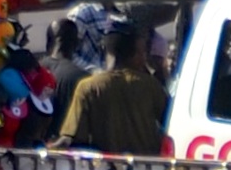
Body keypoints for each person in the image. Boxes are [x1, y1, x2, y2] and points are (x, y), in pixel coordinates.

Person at [53, 21, 168, 153]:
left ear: (104, 49)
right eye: (141, 53)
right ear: (134, 55)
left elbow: (72, 138)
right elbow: (171, 122)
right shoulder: (150, 85)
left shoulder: (88, 87)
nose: (143, 59)